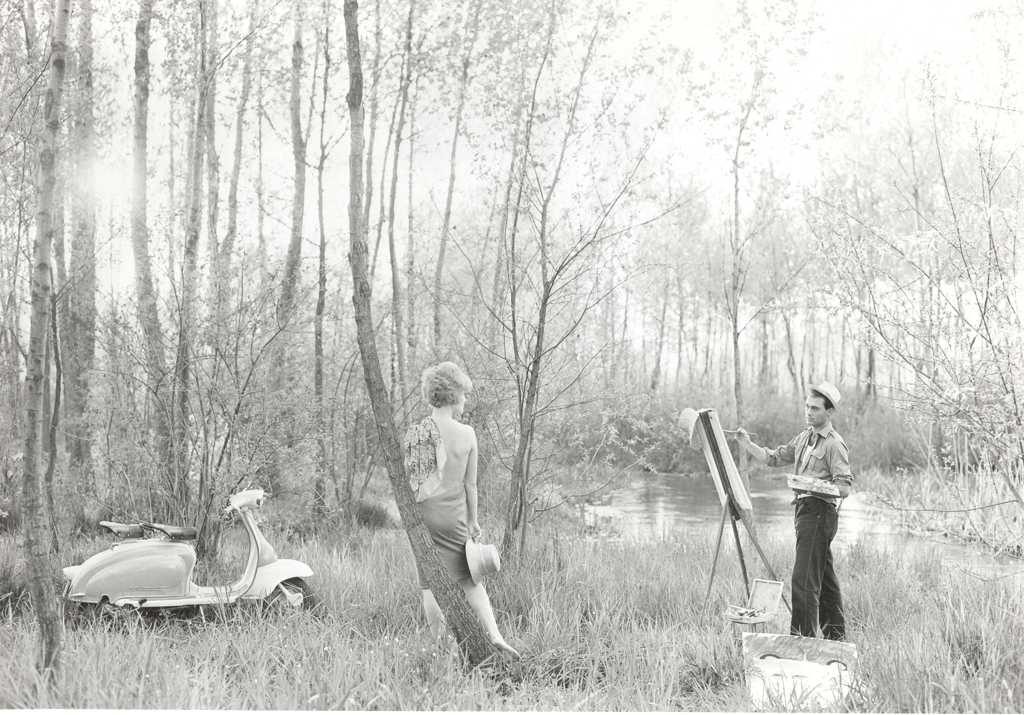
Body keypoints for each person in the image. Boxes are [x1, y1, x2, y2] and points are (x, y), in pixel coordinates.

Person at [404, 361, 519, 657]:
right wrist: (473, 522)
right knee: (470, 580)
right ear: (453, 395)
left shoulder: (418, 433)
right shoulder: (467, 434)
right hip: (453, 518)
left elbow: (412, 480)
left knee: (429, 584)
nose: (465, 401)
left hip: (423, 518)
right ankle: (494, 634)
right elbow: (471, 486)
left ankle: (441, 644)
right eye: (464, 395)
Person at [735, 381, 853, 641]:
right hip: (803, 512)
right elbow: (775, 458)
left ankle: (801, 641)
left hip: (820, 512)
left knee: (803, 582)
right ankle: (836, 638)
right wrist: (746, 444)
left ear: (829, 412)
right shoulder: (804, 437)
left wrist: (811, 485)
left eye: (815, 409)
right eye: (807, 407)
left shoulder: (834, 444)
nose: (809, 412)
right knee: (826, 581)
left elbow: (843, 488)